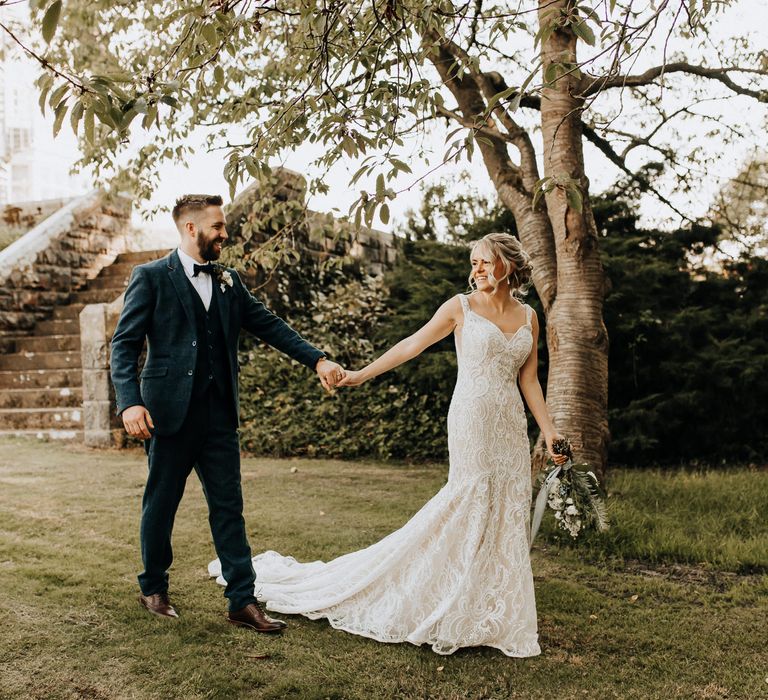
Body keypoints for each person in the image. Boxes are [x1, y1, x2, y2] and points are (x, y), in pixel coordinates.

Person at [209, 232, 567, 656]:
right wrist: (360, 374)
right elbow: (411, 346)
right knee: (467, 500)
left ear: (508, 264)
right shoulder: (461, 306)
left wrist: (547, 430)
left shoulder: (529, 318)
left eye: (485, 262)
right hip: (471, 417)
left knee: (507, 505)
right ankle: (449, 598)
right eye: (473, 263)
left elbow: (528, 380)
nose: (477, 270)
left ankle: (492, 610)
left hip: (509, 423)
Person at [111, 194, 345, 633]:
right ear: (191, 229)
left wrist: (318, 359)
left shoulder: (229, 281)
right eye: (217, 226)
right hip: (167, 414)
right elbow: (124, 345)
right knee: (161, 505)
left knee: (228, 508)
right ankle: (154, 586)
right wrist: (130, 401)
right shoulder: (150, 278)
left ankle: (242, 600)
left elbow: (271, 325)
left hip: (219, 417)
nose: (224, 233)